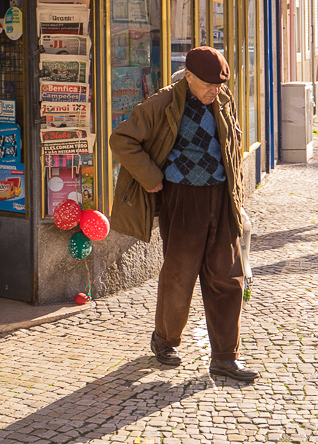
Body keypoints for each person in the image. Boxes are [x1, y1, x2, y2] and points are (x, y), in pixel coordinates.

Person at [109, 46, 259, 382]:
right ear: (188, 77)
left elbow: (232, 146)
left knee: (228, 275)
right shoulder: (163, 103)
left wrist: (236, 193)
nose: (214, 91)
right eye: (208, 84)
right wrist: (150, 178)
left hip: (221, 198)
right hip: (182, 198)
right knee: (180, 274)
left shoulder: (223, 100)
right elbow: (121, 139)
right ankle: (164, 340)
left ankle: (225, 358)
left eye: (219, 85)